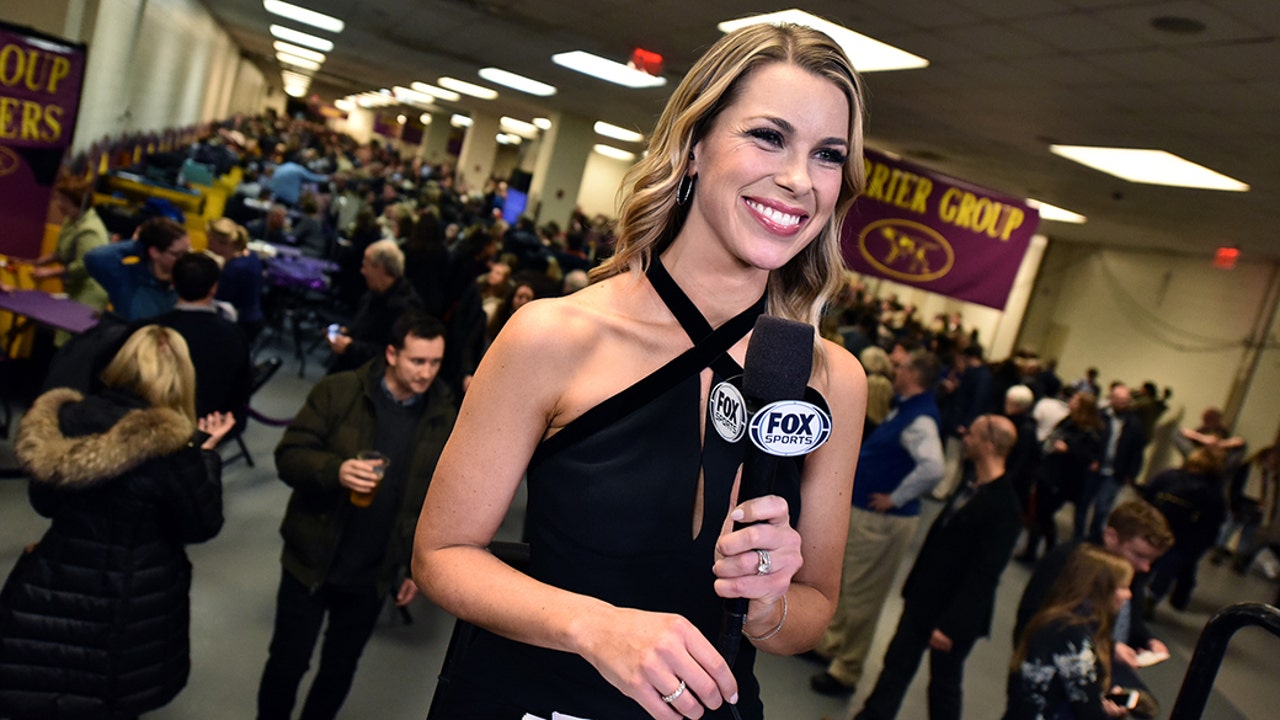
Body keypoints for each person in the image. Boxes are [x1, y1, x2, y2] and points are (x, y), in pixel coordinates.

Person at [413, 22, 868, 720]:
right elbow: (443, 553)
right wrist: (597, 628)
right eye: (768, 136)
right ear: (693, 147)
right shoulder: (557, 335)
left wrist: (768, 598)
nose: (799, 180)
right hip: (532, 700)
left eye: (828, 155)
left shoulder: (830, 379)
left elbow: (811, 615)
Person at [0, 325, 233, 718]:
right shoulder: (175, 446)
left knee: (45, 690)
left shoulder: (68, 419)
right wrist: (206, 455)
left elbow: (45, 503)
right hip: (133, 598)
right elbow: (201, 525)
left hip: (57, 581)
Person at [258, 310, 456, 720]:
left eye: (435, 363)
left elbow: (436, 502)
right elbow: (289, 456)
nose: (426, 373)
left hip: (374, 573)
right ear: (390, 353)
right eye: (417, 361)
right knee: (287, 664)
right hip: (311, 559)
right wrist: (336, 470)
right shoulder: (339, 391)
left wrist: (416, 567)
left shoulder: (443, 417)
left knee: (338, 670)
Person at [853, 414, 1023, 720]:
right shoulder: (972, 485)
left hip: (953, 614)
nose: (965, 439)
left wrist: (952, 625)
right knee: (896, 666)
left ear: (988, 444)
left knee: (943, 686)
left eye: (971, 434)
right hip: (924, 598)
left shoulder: (1005, 507)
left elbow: (985, 574)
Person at [812, 349, 943, 697]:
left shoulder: (922, 420)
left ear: (915, 374)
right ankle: (832, 645)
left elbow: (933, 468)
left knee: (862, 596)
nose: (895, 371)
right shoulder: (908, 407)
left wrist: (895, 497)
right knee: (850, 584)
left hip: (882, 520)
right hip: (869, 515)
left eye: (901, 367)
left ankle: (847, 669)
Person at [1014, 500, 1174, 707]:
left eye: (1151, 560)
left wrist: (1147, 640)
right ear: (1111, 537)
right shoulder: (1069, 563)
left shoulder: (1128, 568)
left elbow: (1129, 617)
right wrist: (1109, 646)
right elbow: (1037, 623)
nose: (1145, 567)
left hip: (1100, 672)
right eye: (1139, 555)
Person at [1005, 545, 1136, 720]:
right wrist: (1108, 713)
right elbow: (1087, 709)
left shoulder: (1054, 619)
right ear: (1101, 588)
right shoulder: (1074, 635)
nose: (1128, 595)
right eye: (1123, 587)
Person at [157, 252, 253, 427]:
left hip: (157, 425)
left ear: (173, 283)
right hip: (209, 426)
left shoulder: (152, 331)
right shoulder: (235, 335)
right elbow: (241, 392)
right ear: (214, 287)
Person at [1141, 448, 1228, 617]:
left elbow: (1149, 494)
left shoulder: (1169, 476)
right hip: (1187, 539)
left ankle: (1136, 593)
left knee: (1147, 564)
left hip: (1158, 528)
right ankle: (1151, 600)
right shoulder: (1212, 490)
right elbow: (1216, 519)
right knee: (1167, 571)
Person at [1018, 392, 1104, 563]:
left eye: (1075, 400)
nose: (1070, 402)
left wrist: (1069, 449)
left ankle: (1050, 552)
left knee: (1045, 515)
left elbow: (1088, 457)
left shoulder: (1090, 432)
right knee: (1038, 513)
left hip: (1063, 479)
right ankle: (1031, 550)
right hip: (1049, 471)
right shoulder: (1068, 421)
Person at [30, 175, 110, 343]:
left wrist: (49, 273)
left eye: (62, 199)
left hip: (89, 294)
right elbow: (60, 252)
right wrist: (36, 262)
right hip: (73, 289)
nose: (58, 203)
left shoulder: (90, 230)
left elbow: (84, 266)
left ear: (76, 200)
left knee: (68, 343)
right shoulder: (71, 220)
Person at [327, 239, 422, 374]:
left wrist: (351, 347)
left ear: (380, 268)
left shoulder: (406, 308)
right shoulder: (373, 294)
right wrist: (349, 332)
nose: (362, 271)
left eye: (366, 264)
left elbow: (393, 353)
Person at [84, 216, 190, 321]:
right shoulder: (127, 278)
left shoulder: (187, 279)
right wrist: (137, 245)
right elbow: (95, 257)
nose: (185, 259)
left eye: (187, 252)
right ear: (154, 252)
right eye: (177, 254)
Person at [1080, 384, 1146, 541]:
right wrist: (1092, 458)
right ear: (1112, 399)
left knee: (1102, 508)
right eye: (1119, 400)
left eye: (1126, 401)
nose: (1123, 404)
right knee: (1083, 503)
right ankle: (1078, 536)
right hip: (1095, 468)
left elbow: (1137, 452)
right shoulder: (1101, 417)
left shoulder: (1134, 424)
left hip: (1115, 472)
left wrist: (1131, 474)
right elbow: (1089, 441)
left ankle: (1094, 538)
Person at [206, 216, 267, 342]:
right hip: (253, 318)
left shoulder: (235, 269)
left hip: (240, 323)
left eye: (210, 241)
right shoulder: (250, 256)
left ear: (221, 242)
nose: (208, 245)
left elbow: (218, 297)